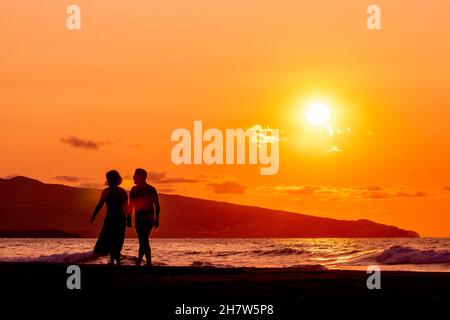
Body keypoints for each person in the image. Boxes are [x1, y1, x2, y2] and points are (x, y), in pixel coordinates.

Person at [90, 170, 128, 266]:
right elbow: (126, 206)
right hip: (118, 218)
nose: (108, 180)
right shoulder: (120, 191)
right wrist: (129, 218)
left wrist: (94, 215)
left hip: (114, 218)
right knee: (116, 239)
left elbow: (100, 204)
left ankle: (114, 261)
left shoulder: (107, 191)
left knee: (113, 238)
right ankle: (114, 261)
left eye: (109, 178)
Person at [128, 168, 160, 267]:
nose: (133, 177)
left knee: (143, 240)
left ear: (141, 177)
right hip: (150, 218)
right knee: (143, 239)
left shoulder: (135, 189)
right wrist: (157, 219)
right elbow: (157, 205)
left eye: (135, 175)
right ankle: (139, 261)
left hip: (141, 218)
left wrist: (128, 218)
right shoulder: (151, 189)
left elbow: (131, 206)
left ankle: (149, 262)